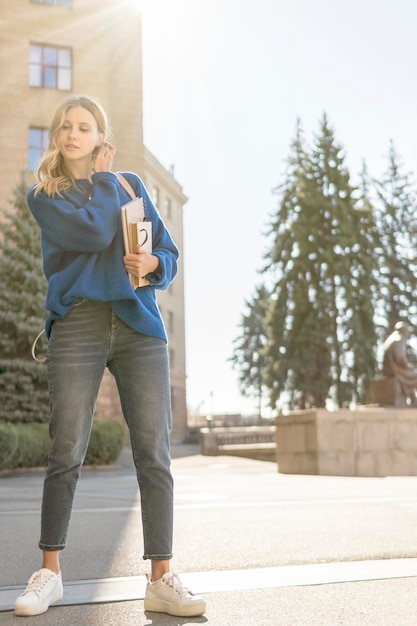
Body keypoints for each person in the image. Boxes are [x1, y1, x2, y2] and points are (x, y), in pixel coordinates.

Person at [14, 95, 206, 618]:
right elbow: (96, 230)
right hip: (78, 325)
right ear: (57, 137)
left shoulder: (131, 186)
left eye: (85, 127)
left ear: (101, 137)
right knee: (66, 451)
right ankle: (49, 573)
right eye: (66, 127)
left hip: (140, 327)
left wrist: (153, 263)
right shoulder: (47, 196)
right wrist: (103, 179)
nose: (74, 134)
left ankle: (161, 578)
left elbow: (168, 253)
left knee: (154, 455)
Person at [383, 321, 417, 407]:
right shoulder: (399, 338)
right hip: (395, 370)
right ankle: (414, 401)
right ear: (404, 330)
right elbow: (400, 357)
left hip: (388, 369)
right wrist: (408, 366)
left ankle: (412, 399)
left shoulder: (391, 338)